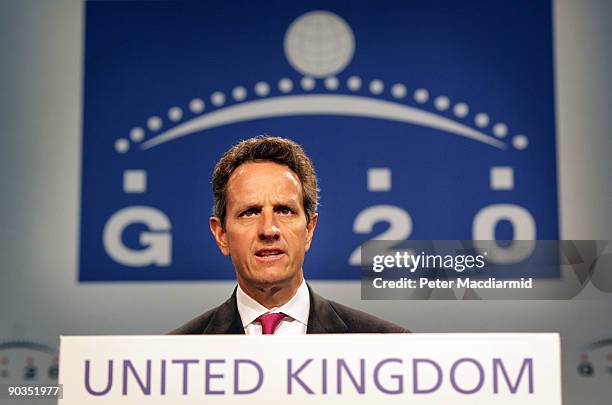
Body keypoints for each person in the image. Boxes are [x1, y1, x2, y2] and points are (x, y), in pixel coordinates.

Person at [171, 136, 408, 335]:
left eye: (284, 210)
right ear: (221, 234)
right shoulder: (172, 356)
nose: (269, 230)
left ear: (309, 229)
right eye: (250, 212)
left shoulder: (387, 346)